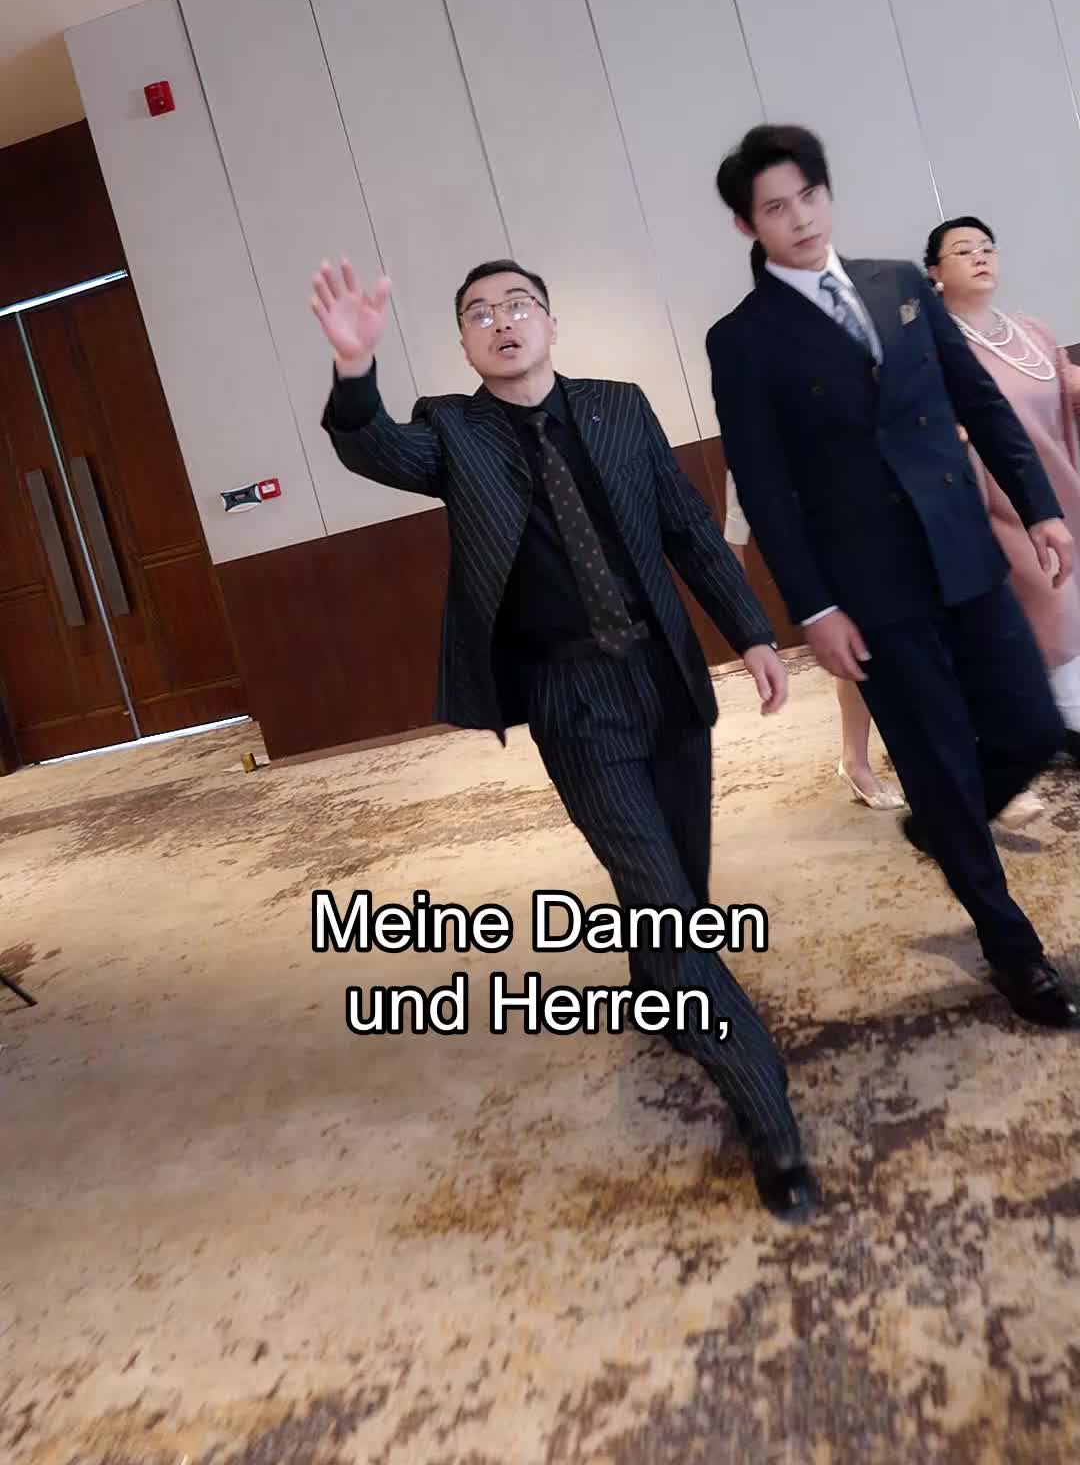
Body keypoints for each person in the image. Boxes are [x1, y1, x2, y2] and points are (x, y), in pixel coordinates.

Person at [312, 254, 819, 1220]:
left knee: (680, 883)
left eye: (518, 305)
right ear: (465, 344)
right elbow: (372, 447)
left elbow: (687, 530)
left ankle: (657, 990)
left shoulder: (620, 407)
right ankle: (770, 1118)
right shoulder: (450, 430)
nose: (502, 322)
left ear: (550, 323)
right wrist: (352, 367)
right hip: (569, 696)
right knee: (668, 903)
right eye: (479, 314)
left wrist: (752, 632)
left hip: (664, 678)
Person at [707, 124, 1079, 1031]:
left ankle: (943, 823)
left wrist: (1039, 508)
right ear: (748, 225)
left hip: (966, 554)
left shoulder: (900, 284)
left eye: (809, 196)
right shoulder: (743, 340)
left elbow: (979, 401)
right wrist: (815, 608)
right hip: (870, 590)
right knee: (938, 759)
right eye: (776, 208)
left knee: (1033, 727)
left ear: (828, 194)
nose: (800, 218)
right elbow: (766, 488)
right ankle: (1013, 950)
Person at [726, 241, 904, 812]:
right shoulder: (756, 356)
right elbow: (745, 484)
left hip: (889, 527)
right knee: (865, 659)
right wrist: (744, 603)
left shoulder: (854, 330)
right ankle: (861, 761)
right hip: (824, 548)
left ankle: (891, 756)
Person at [926, 215, 1080, 762]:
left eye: (987, 247)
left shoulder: (1030, 330)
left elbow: (1063, 388)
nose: (980, 256)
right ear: (934, 272)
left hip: (1062, 486)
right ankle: (1056, 723)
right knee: (1051, 606)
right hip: (999, 505)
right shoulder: (936, 348)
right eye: (964, 250)